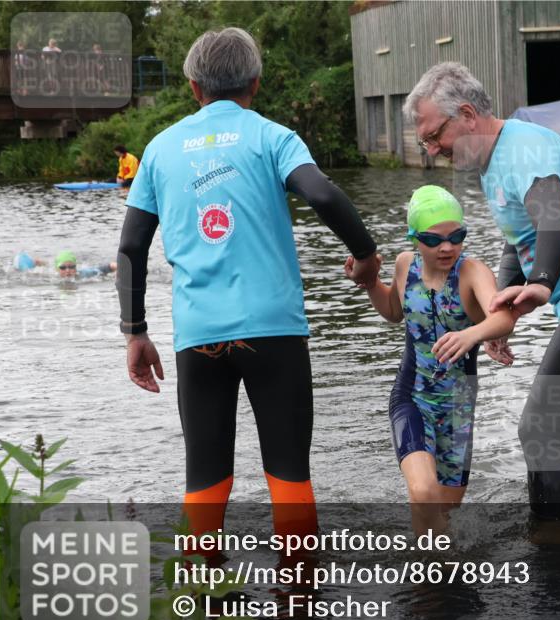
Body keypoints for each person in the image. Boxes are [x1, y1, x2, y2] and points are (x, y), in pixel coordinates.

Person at [116, 28, 380, 547]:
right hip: (273, 330)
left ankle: (201, 605)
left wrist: (135, 332)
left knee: (206, 480)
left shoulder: (160, 149)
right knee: (288, 476)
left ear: (194, 87)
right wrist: (367, 257)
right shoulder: (272, 137)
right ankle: (298, 614)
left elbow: (130, 250)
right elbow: (323, 196)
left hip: (198, 334)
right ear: (255, 84)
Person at [404, 62, 560, 518]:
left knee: (540, 432)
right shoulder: (494, 162)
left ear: (466, 114)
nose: (432, 150)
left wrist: (541, 284)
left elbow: (551, 218)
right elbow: (518, 235)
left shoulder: (523, 148)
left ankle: (554, 556)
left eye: (433, 135)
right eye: (425, 142)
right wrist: (499, 308)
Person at [345, 185, 518, 534]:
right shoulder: (405, 265)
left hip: (457, 405)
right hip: (412, 395)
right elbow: (394, 310)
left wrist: (473, 333)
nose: (447, 247)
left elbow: (503, 316)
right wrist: (370, 283)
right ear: (414, 238)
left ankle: (435, 576)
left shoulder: (472, 273)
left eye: (457, 236)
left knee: (445, 512)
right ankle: (429, 584)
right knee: (423, 493)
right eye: (434, 239)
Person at [12, 250, 115, 278]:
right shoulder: (51, 275)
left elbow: (109, 266)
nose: (68, 270)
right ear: (58, 269)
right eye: (63, 267)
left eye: (71, 267)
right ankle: (40, 262)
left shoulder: (84, 273)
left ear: (76, 267)